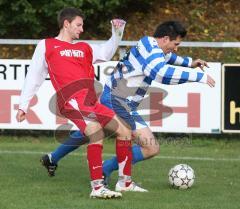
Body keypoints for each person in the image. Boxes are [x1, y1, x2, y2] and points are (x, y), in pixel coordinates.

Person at [38, 20, 216, 186]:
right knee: (150, 147)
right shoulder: (152, 50)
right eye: (175, 44)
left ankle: (52, 157)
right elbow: (161, 73)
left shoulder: (151, 45)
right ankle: (107, 170)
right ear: (165, 39)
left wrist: (189, 63)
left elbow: (166, 57)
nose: (176, 49)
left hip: (115, 98)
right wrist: (199, 76)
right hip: (118, 101)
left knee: (89, 132)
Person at [16, 7, 147, 199]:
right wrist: (23, 106)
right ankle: (97, 188)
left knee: (125, 131)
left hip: (91, 102)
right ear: (66, 24)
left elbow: (106, 52)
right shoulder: (47, 45)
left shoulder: (84, 47)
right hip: (70, 101)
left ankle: (124, 183)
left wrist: (117, 33)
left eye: (82, 25)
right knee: (96, 131)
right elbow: (33, 77)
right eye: (78, 25)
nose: (81, 29)